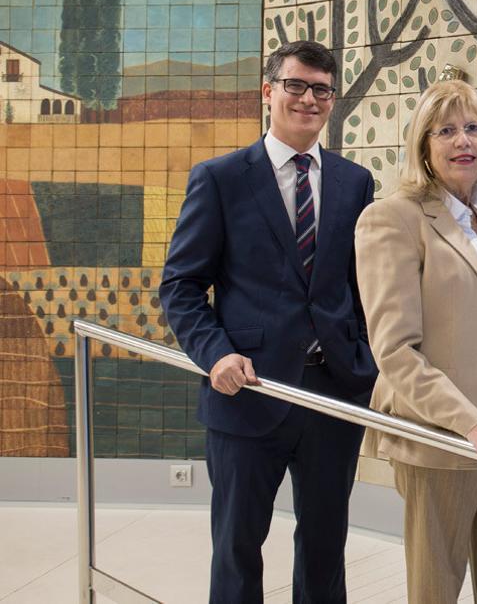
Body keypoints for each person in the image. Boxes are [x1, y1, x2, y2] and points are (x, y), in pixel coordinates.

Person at [159, 40, 379, 602]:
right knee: (237, 548)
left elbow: (360, 286)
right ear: (269, 91)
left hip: (334, 395)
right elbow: (181, 286)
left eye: (321, 90)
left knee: (326, 547)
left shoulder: (356, 184)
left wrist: (366, 359)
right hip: (249, 390)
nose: (308, 99)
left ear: (332, 101)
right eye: (295, 86)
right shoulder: (221, 178)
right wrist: (215, 354)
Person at [354, 79, 477, 604]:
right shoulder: (392, 218)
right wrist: (473, 424)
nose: (462, 141)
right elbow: (395, 351)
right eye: (446, 130)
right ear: (424, 144)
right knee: (436, 588)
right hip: (445, 436)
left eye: (473, 128)